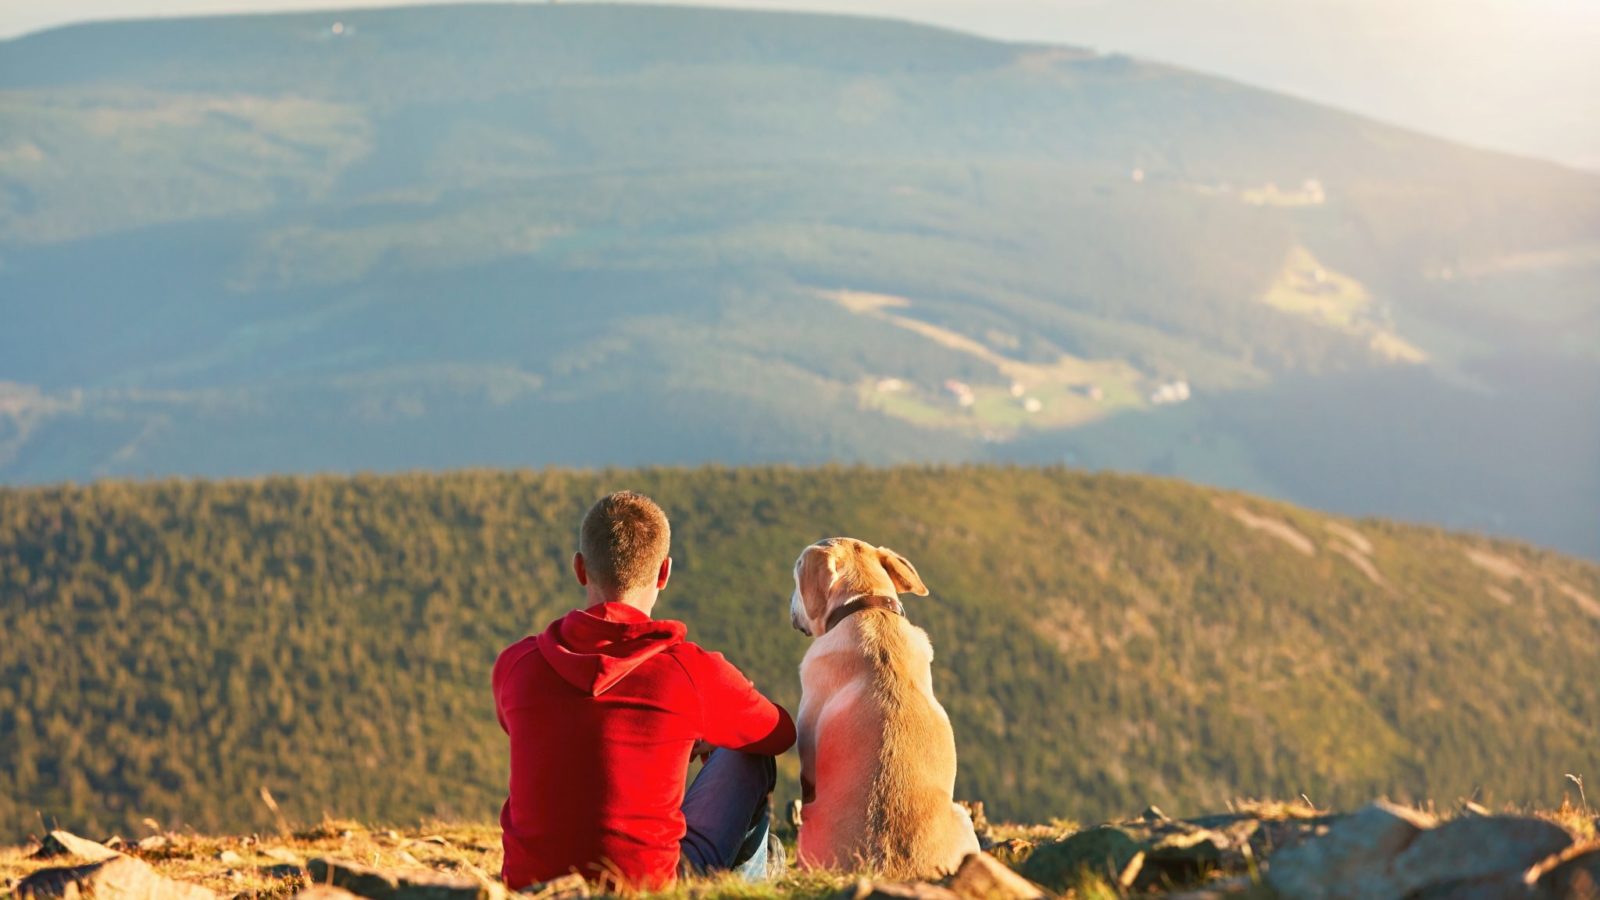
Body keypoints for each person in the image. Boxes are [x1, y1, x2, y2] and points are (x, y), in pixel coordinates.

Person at [493, 490, 796, 891]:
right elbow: (779, 733)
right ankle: (743, 892)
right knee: (750, 755)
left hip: (532, 888)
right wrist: (701, 735)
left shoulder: (517, 666)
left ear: (580, 569)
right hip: (650, 889)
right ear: (664, 573)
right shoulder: (691, 671)